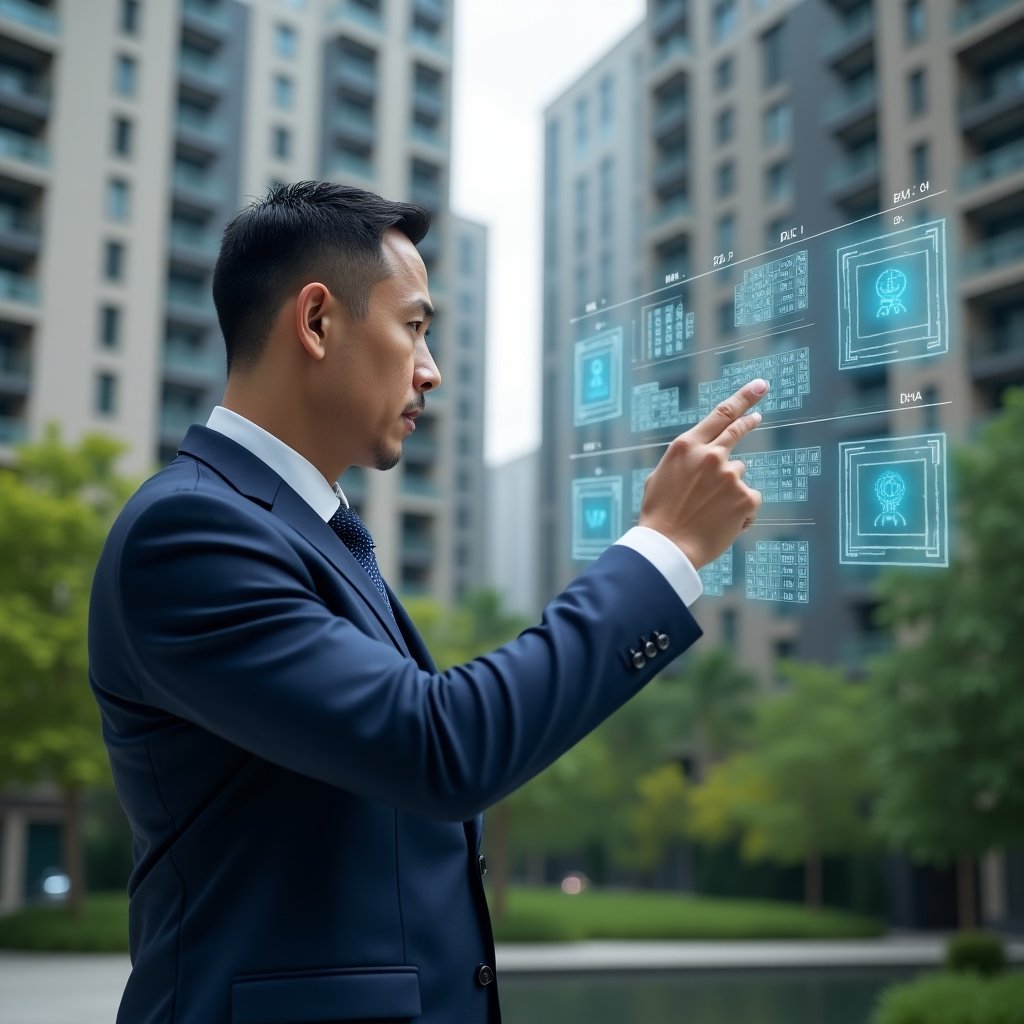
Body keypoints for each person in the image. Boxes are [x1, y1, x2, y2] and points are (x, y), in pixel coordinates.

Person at [88, 181, 765, 1024]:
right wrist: (663, 549)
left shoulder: (308, 531)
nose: (431, 371)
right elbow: (439, 747)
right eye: (413, 327)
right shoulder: (189, 531)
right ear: (317, 321)